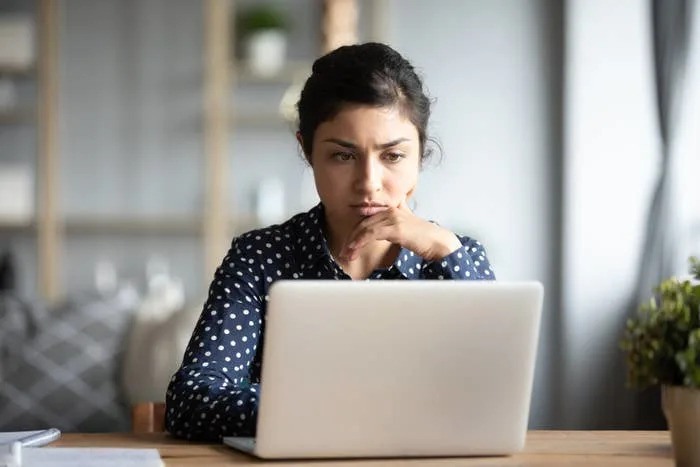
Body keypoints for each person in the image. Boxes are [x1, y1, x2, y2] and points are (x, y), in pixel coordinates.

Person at [165, 42, 495, 441]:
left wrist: (443, 251)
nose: (369, 183)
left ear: (420, 155)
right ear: (307, 150)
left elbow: (492, 396)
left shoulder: (457, 257)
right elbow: (192, 402)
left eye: (392, 157)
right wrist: (359, 410)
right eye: (343, 156)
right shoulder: (260, 258)